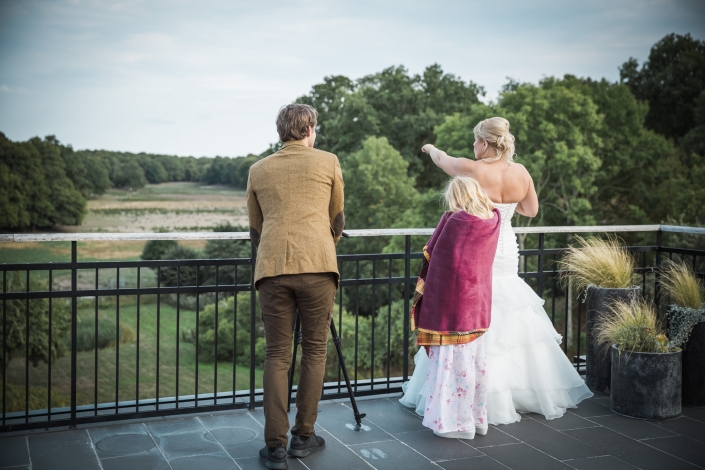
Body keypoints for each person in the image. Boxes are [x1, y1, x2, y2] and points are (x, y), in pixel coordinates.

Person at [400, 116, 592, 425]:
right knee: (508, 309)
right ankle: (519, 393)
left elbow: (443, 161)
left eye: (475, 140)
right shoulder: (521, 172)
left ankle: (470, 395)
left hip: (478, 247)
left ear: (485, 143)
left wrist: (430, 147)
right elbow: (530, 210)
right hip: (506, 248)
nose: (473, 146)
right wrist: (504, 206)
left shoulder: (473, 169)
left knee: (474, 310)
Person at [247, 103, 345, 470]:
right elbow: (337, 216)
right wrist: (322, 244)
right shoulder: (328, 161)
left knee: (277, 354)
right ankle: (304, 438)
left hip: (272, 268)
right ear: (309, 130)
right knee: (315, 351)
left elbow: (255, 228)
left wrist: (274, 253)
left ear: (281, 132)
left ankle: (275, 446)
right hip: (319, 266)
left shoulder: (258, 169)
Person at [413, 176, 501, 439]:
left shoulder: (457, 221)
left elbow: (439, 261)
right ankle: (477, 420)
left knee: (453, 365)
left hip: (453, 305)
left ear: (458, 196)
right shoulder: (492, 219)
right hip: (479, 301)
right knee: (475, 364)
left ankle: (454, 424)